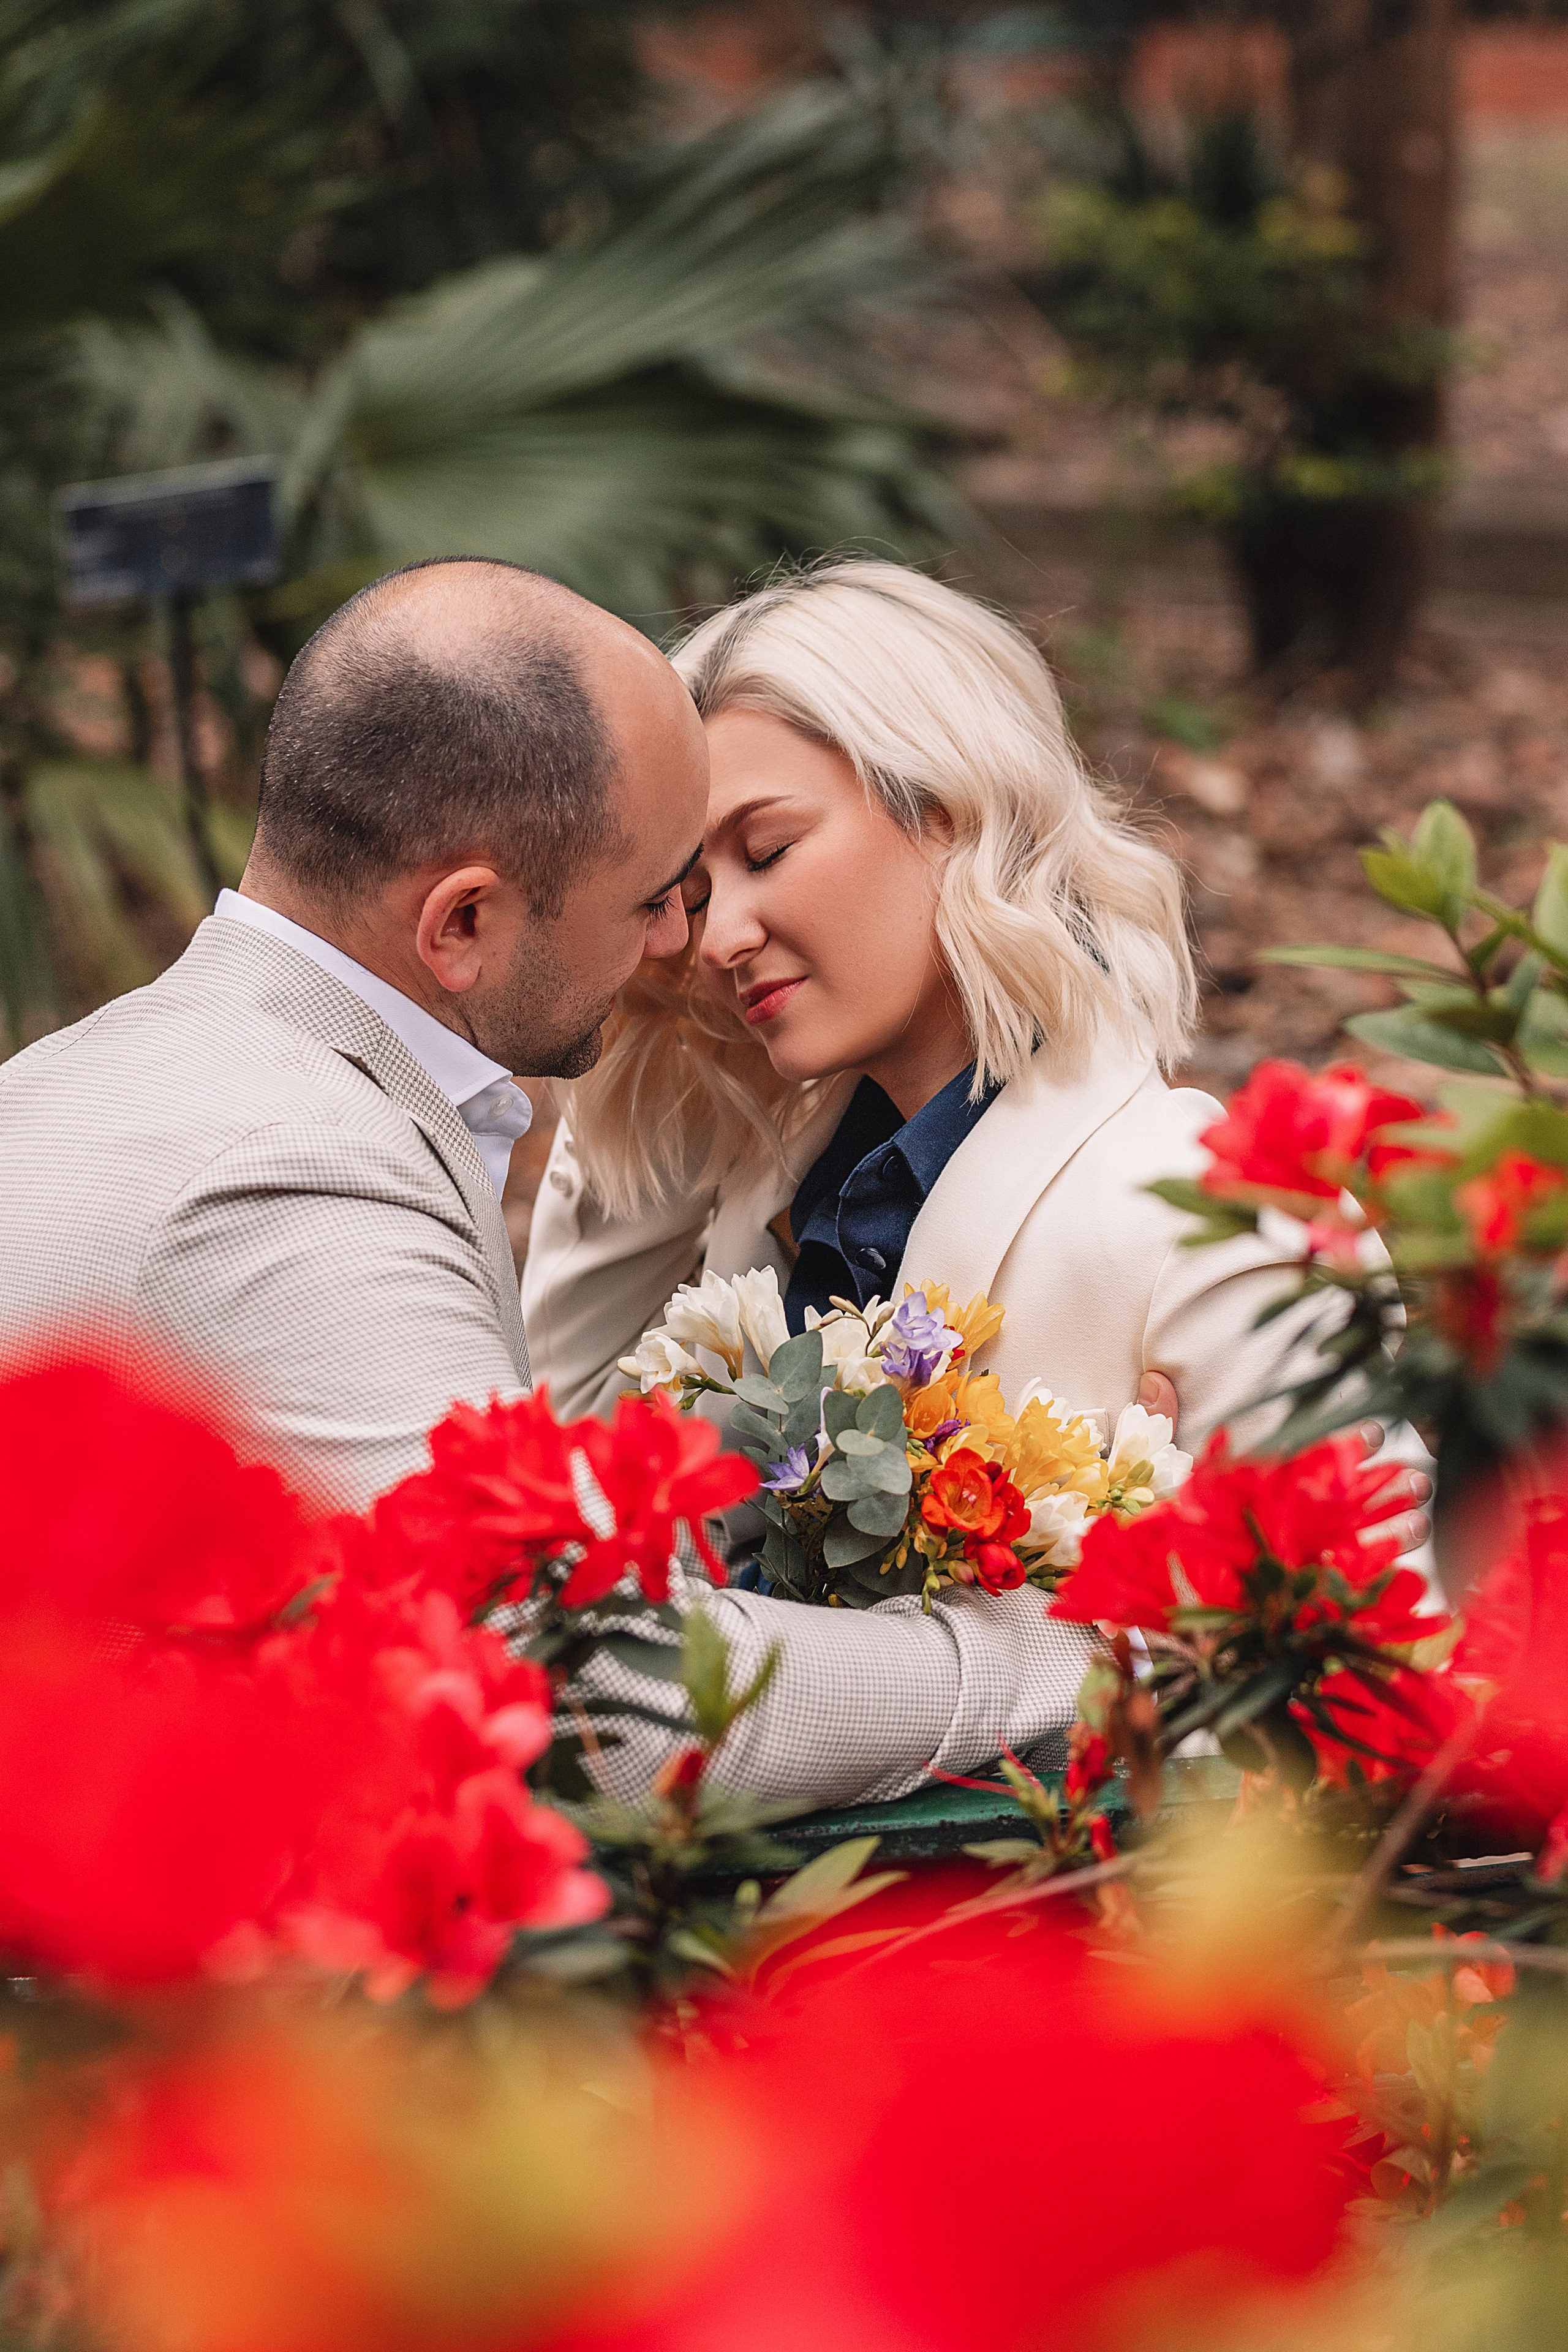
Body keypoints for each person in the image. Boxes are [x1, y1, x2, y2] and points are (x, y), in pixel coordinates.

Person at [523, 561, 1428, 1806]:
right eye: (686, 891)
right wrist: (641, 1029)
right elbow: (545, 1549)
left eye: (765, 849)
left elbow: (1374, 1687)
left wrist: (1124, 1642)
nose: (717, 933)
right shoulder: (746, 1193)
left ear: (943, 805)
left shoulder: (1217, 1211)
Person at [0, 558, 707, 1506]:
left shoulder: (48, 1080)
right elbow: (562, 1636)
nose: (676, 938)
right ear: (462, 923)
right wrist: (965, 1651)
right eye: (653, 897)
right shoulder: (303, 1168)